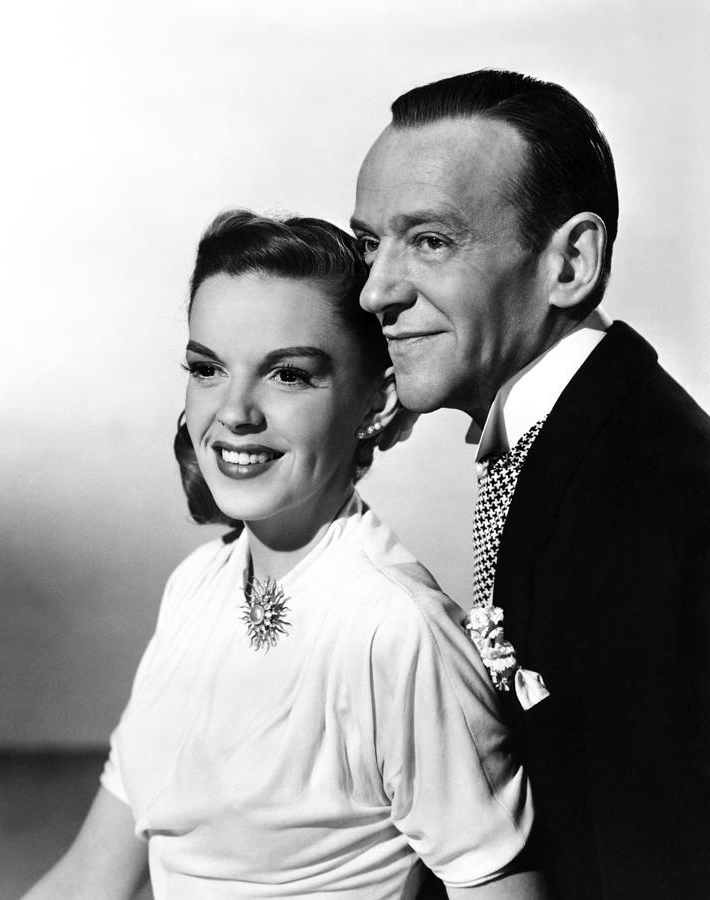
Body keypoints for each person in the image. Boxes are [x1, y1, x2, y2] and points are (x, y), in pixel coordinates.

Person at [20, 211, 548, 899]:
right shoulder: (196, 588)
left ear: (378, 401)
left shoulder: (395, 632)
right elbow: (92, 878)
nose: (234, 411)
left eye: (289, 375)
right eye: (208, 369)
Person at [352, 69, 710, 900]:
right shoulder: (576, 443)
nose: (375, 290)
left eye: (431, 241)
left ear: (571, 262)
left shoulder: (657, 507)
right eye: (371, 243)